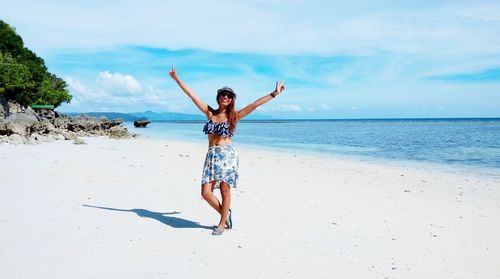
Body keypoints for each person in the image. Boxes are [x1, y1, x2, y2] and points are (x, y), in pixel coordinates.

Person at [169, 65, 285, 236]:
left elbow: (254, 105)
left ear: (231, 100)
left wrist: (274, 94)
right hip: (211, 156)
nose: (225, 97)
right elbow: (192, 95)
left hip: (227, 155)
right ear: (219, 98)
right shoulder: (210, 113)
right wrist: (176, 79)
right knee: (205, 192)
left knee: (225, 189)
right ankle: (226, 213)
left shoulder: (234, 116)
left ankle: (222, 224)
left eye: (229, 96)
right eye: (223, 95)